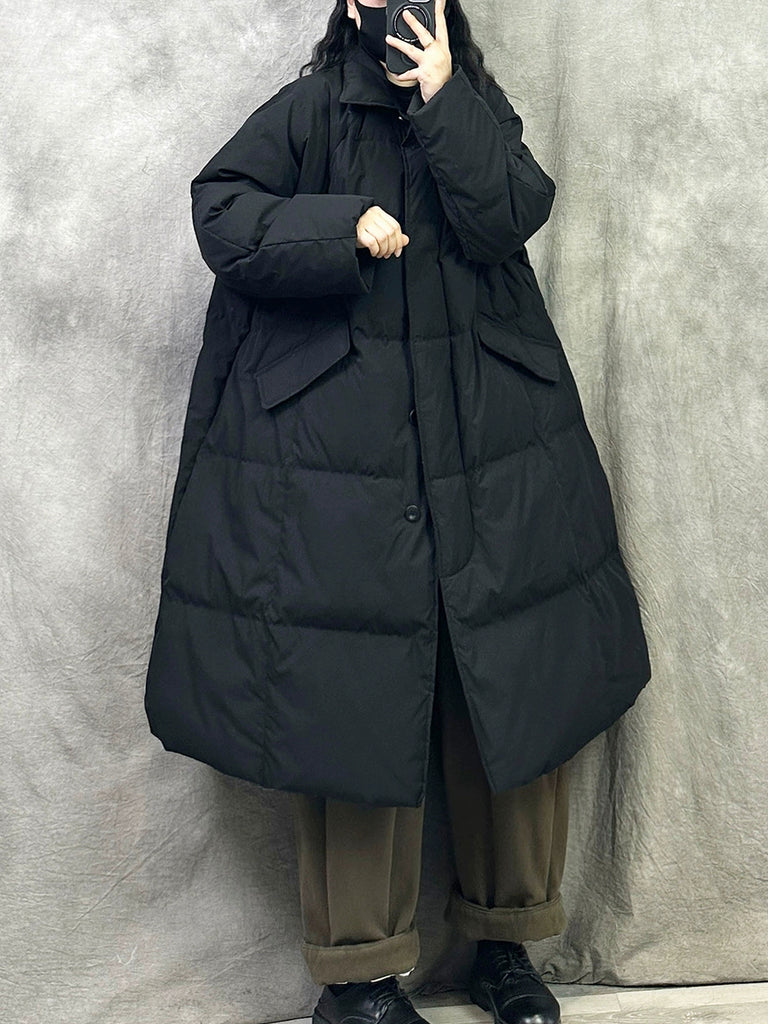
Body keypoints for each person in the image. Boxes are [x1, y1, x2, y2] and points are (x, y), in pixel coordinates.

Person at [144, 2, 653, 1022]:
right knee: (353, 700)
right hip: (346, 461)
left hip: (489, 446)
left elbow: (509, 212)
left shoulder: (475, 106)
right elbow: (221, 213)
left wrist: (445, 99)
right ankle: (359, 979)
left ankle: (507, 947)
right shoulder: (306, 113)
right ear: (349, 5)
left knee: (506, 683)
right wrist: (339, 225)